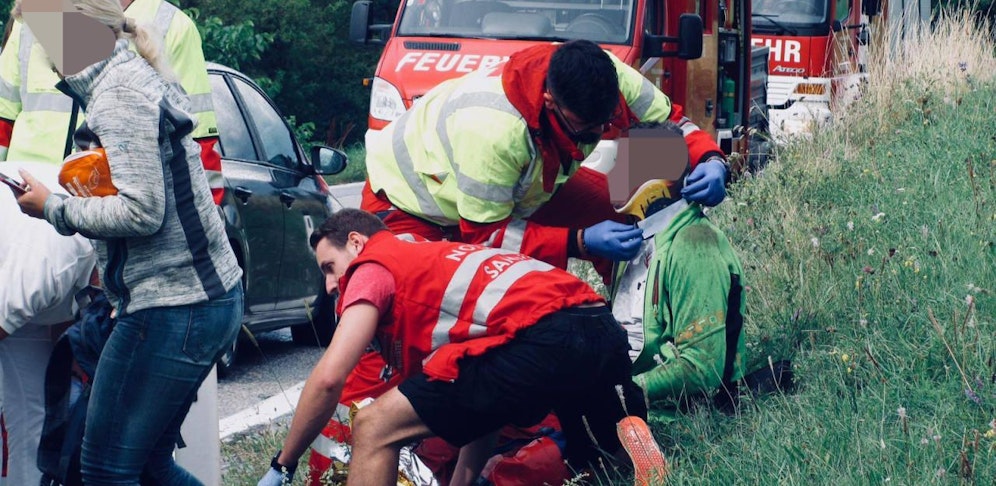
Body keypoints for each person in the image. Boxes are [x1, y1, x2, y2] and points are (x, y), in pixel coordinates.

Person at [259, 208, 662, 486]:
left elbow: (330, 378)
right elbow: (482, 405)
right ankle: (621, 442)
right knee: (595, 456)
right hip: (596, 325)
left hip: (543, 338)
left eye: (330, 268)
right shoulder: (434, 256)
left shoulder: (374, 265)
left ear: (356, 242)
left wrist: (284, 463)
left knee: (374, 425)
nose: (331, 286)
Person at [12, 0, 243, 482]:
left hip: (178, 305)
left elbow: (142, 212)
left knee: (104, 468)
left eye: (43, 34)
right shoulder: (123, 79)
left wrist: (52, 207)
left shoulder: (117, 96)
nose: (43, 53)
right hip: (189, 301)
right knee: (149, 463)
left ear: (69, 35)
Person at [362, 39, 729, 270]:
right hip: (412, 205)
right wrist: (577, 242)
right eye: (586, 130)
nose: (599, 135)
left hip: (522, 188)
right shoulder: (494, 131)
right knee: (422, 301)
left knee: (614, 213)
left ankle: (632, 332)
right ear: (550, 103)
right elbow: (486, 237)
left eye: (607, 123)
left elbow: (672, 123)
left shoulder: (608, 74)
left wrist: (712, 161)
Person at [0, 0, 226, 204]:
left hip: (111, 204)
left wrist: (208, 212)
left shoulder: (174, 24)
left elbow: (197, 137)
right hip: (24, 193)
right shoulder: (37, 13)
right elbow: (3, 116)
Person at [611, 121, 747, 410]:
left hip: (671, 423)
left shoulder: (694, 245)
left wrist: (619, 399)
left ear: (660, 181)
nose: (612, 176)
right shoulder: (638, 236)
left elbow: (701, 368)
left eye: (623, 166)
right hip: (628, 404)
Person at [1, 161, 96, 486]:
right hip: (17, 268)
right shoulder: (52, 262)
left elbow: (65, 325)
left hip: (19, 277)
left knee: (36, 416)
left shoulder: (90, 259)